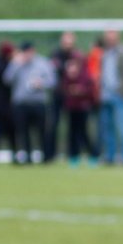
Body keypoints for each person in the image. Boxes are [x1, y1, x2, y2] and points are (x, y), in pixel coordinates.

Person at [5, 42, 55, 164]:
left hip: (38, 102)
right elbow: (7, 79)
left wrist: (41, 83)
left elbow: (53, 81)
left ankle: (46, 156)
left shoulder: (43, 63)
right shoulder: (16, 63)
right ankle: (26, 157)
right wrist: (16, 64)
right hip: (21, 103)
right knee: (23, 131)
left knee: (42, 131)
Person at [98, 29, 123, 166]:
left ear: (117, 37)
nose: (110, 39)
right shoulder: (104, 53)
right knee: (107, 128)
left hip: (119, 94)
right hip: (105, 95)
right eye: (108, 36)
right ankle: (110, 157)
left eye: (112, 36)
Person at [46, 31, 80, 163]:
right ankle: (50, 155)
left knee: (74, 127)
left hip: (73, 96)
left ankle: (73, 155)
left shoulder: (77, 56)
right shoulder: (55, 55)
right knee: (53, 125)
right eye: (65, 41)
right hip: (57, 94)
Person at [61, 55, 99, 166]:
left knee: (84, 133)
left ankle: (93, 155)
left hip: (83, 108)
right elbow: (63, 90)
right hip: (71, 108)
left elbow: (90, 92)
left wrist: (80, 91)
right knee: (72, 133)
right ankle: (73, 156)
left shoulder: (85, 76)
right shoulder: (67, 77)